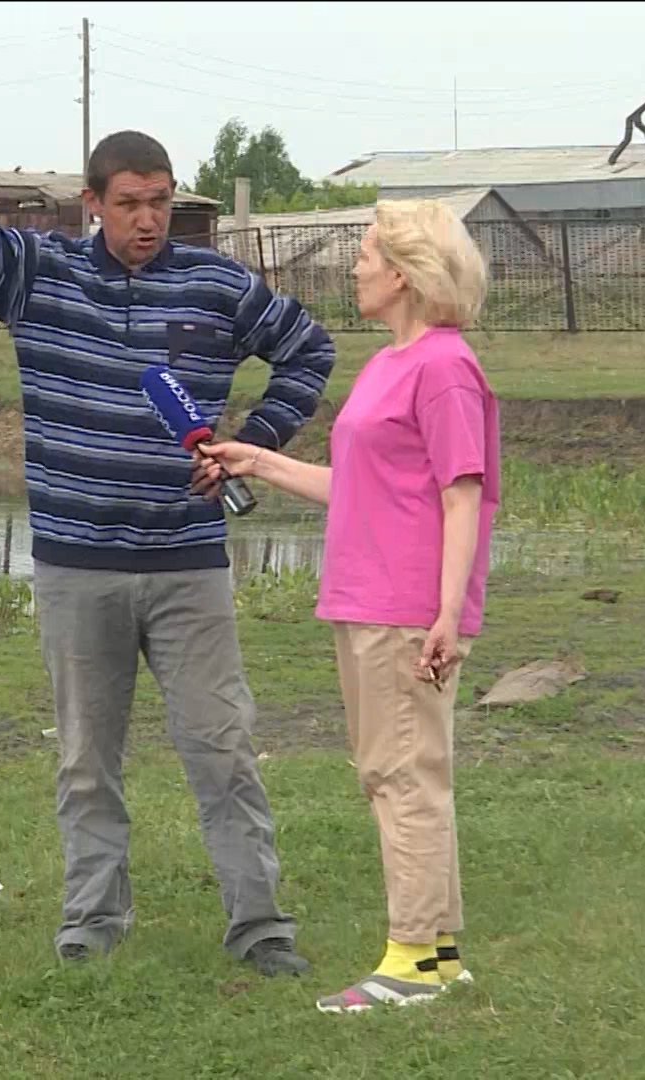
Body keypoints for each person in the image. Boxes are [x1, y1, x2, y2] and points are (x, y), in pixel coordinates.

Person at [0, 118, 336, 975]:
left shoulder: (216, 284)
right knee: (87, 760)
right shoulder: (34, 275)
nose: (147, 220)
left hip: (187, 567)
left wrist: (256, 438)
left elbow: (309, 349)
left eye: (160, 203)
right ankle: (91, 923)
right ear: (92, 204)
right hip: (76, 568)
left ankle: (262, 930)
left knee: (223, 751)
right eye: (129, 204)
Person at [194, 199, 500, 1012]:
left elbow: (462, 494)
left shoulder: (443, 366)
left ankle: (408, 963)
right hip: (367, 603)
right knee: (397, 773)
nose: (354, 267)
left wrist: (444, 615)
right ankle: (436, 954)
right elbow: (359, 487)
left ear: (401, 272)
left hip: (405, 610)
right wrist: (256, 461)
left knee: (402, 775)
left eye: (365, 253)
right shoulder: (391, 363)